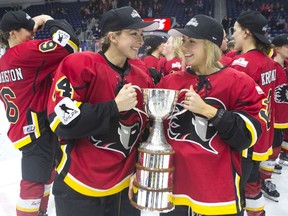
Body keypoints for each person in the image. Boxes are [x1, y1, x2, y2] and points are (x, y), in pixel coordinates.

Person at [143, 14, 267, 216]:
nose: (184, 48)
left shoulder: (239, 82)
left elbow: (248, 136)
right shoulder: (169, 82)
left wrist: (209, 111)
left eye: (192, 42)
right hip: (176, 190)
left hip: (218, 194)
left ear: (211, 45)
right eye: (183, 41)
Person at [47, 6, 158, 216]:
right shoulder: (79, 64)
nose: (141, 41)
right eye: (134, 34)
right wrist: (114, 107)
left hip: (125, 186)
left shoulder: (142, 75)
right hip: (79, 184)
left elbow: (145, 129)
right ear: (113, 37)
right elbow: (61, 122)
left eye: (142, 35)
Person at [0, 10, 79, 216]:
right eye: (27, 29)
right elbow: (69, 43)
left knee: (44, 178)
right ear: (12, 33)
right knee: (33, 184)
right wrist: (48, 20)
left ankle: (41, 212)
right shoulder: (25, 52)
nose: (33, 33)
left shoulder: (4, 61)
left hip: (24, 127)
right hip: (35, 128)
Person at [229, 10, 282, 215]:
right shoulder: (269, 62)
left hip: (247, 139)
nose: (232, 35)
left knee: (237, 191)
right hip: (263, 135)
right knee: (253, 184)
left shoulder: (242, 64)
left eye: (235, 30)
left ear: (246, 33)